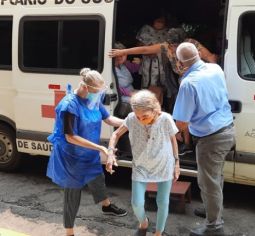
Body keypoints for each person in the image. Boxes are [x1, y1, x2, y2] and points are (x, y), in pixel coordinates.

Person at [109, 28, 217, 156]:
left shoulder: (192, 45)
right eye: (170, 45)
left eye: (175, 46)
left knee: (189, 112)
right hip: (183, 81)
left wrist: (213, 78)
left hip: (197, 80)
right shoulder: (166, 46)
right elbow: (145, 50)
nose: (172, 49)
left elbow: (212, 58)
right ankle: (185, 143)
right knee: (184, 111)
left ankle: (185, 140)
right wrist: (123, 51)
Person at [46, 68, 128, 236]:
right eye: (95, 92)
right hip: (72, 156)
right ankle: (69, 231)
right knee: (72, 193)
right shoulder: (69, 105)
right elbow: (70, 137)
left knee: (97, 178)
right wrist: (99, 148)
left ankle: (106, 206)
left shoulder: (93, 100)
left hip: (88, 152)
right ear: (85, 87)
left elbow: (108, 119)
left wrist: (130, 121)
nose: (97, 95)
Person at [172, 42, 236, 236]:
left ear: (180, 63)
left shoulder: (188, 83)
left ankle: (214, 227)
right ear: (198, 54)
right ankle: (212, 210)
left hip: (211, 138)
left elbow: (181, 122)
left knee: (208, 182)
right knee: (215, 178)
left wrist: (166, 131)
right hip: (227, 130)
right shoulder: (215, 68)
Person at [106, 90, 180, 236]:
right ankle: (143, 222)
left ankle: (158, 232)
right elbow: (115, 134)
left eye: (144, 116)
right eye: (138, 116)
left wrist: (177, 163)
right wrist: (110, 153)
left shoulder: (165, 119)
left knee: (163, 201)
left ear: (154, 110)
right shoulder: (132, 118)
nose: (140, 120)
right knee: (137, 203)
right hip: (140, 166)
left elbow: (173, 140)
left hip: (164, 164)